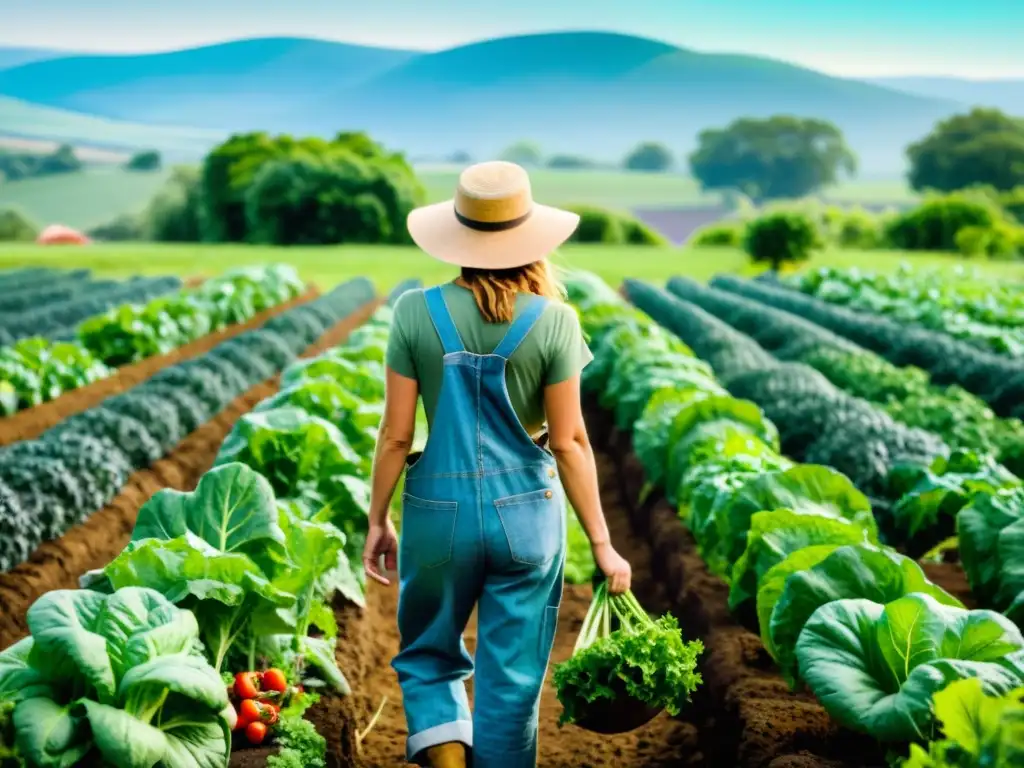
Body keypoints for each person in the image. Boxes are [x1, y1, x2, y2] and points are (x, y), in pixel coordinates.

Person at [362, 160, 633, 768]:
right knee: (510, 683)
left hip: (438, 513)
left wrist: (378, 518)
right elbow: (570, 442)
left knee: (429, 658)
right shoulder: (557, 321)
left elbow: (395, 434)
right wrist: (604, 542)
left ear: (456, 236)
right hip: (527, 519)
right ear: (529, 236)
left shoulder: (414, 311)